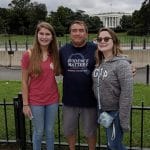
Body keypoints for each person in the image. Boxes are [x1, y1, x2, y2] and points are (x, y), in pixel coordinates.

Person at [21, 21, 60, 150]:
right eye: (41, 33)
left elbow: (59, 72)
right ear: (37, 35)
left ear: (52, 36)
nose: (44, 37)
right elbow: (24, 81)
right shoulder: (29, 55)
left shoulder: (55, 54)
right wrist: (25, 104)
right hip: (36, 100)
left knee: (49, 131)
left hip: (52, 99)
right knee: (38, 131)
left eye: (47, 34)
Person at [92, 27, 133, 150]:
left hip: (115, 113)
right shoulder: (100, 63)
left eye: (106, 38)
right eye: (99, 39)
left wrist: (123, 118)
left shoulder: (122, 64)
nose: (102, 41)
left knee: (115, 145)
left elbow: (127, 93)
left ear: (114, 41)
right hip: (103, 111)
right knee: (111, 143)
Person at [59, 20, 97, 150]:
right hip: (69, 99)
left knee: (90, 132)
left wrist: (129, 65)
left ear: (86, 33)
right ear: (70, 33)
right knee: (69, 131)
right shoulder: (63, 50)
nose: (77, 33)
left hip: (90, 100)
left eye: (81, 30)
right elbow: (59, 69)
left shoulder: (96, 49)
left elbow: (113, 57)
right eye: (74, 30)